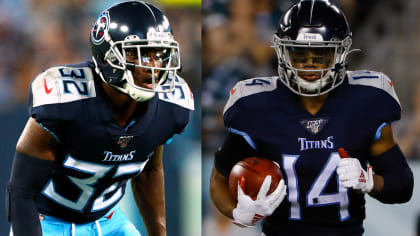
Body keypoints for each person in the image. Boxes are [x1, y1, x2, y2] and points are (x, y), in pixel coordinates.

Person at [209, 0, 414, 235]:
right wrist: (237, 213)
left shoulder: (366, 101)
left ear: (341, 52)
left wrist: (369, 182)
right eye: (299, 52)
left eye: (321, 53)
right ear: (282, 51)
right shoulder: (257, 106)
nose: (309, 63)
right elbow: (219, 180)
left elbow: (402, 186)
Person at [6, 1, 194, 236]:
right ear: (107, 57)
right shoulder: (65, 99)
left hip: (109, 221)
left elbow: (149, 170)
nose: (153, 66)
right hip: (50, 223)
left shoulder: (171, 105)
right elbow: (22, 191)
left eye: (160, 55)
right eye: (141, 54)